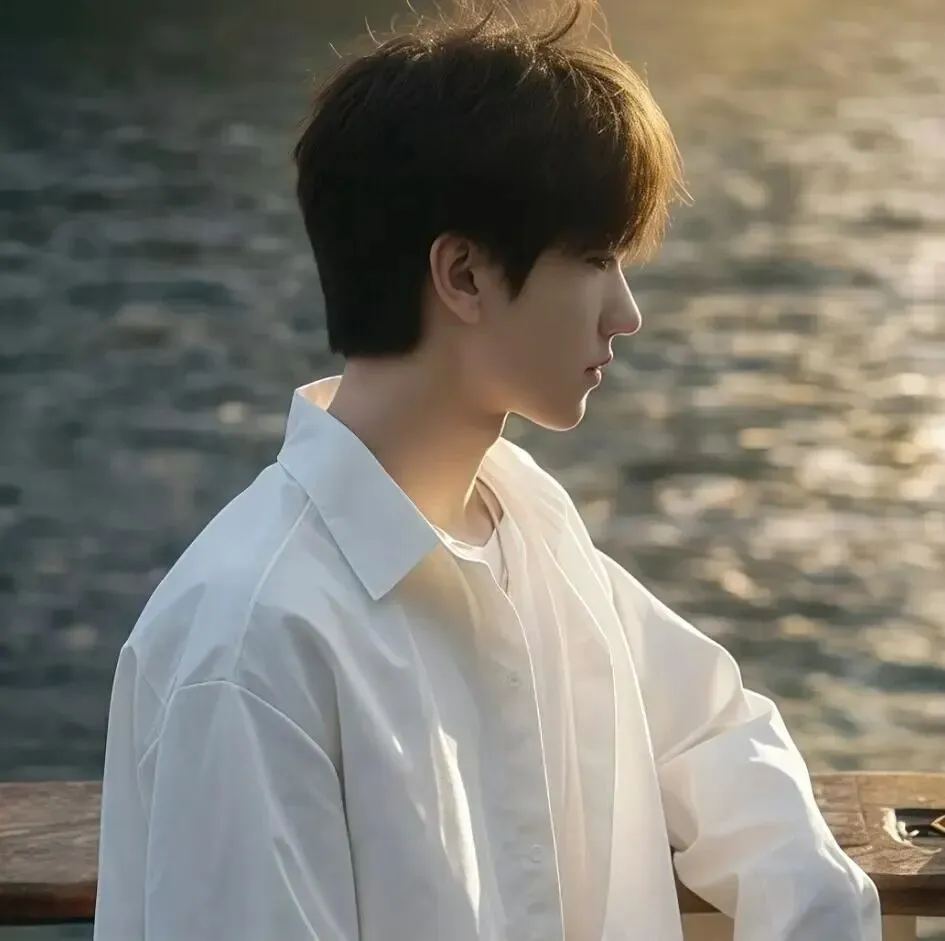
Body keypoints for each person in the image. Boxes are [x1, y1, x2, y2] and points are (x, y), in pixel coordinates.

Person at [93, 2, 882, 939]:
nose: (625, 312)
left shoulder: (524, 523)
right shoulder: (249, 642)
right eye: (595, 258)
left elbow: (714, 733)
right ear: (463, 274)